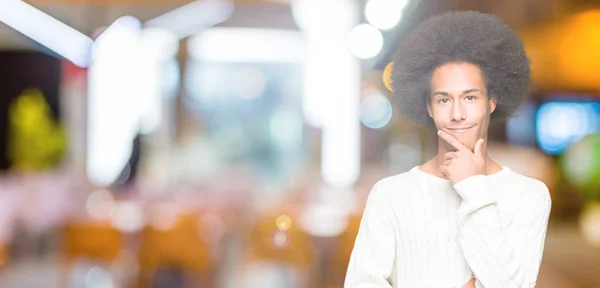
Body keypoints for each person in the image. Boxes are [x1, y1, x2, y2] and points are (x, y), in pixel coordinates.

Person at [344, 11, 551, 288]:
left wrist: (472, 186)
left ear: (491, 101)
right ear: (429, 107)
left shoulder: (529, 196)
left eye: (470, 97)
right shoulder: (390, 195)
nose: (457, 114)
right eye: (444, 100)